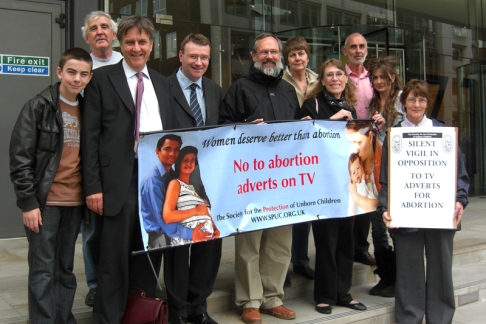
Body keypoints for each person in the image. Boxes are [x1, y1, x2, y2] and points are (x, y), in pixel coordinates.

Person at [81, 15, 170, 323]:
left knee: (150, 252)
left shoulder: (161, 82)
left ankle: (141, 315)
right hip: (118, 181)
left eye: (142, 42)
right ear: (121, 42)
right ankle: (108, 317)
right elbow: (89, 138)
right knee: (113, 258)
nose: (136, 48)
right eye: (130, 42)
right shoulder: (102, 79)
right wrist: (92, 186)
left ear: (152, 45)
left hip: (155, 181)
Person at [220, 33, 299, 324]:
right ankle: (250, 301)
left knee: (279, 242)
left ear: (280, 56)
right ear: (253, 56)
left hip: (284, 181)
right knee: (250, 242)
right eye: (264, 52)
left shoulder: (289, 91)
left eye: (274, 52)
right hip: (251, 181)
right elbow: (223, 127)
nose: (269, 57)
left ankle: (272, 298)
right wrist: (244, 128)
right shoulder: (240, 88)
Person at [9, 48, 93, 323]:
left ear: (89, 77)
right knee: (43, 269)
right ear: (59, 72)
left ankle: (62, 318)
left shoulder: (88, 109)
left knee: (64, 268)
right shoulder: (39, 106)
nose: (76, 79)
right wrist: (29, 202)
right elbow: (20, 158)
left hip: (74, 202)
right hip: (45, 203)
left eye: (83, 74)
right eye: (71, 72)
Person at [377, 79, 469, 323]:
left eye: (422, 99)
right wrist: (386, 208)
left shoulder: (444, 134)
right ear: (403, 103)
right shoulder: (394, 136)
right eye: (411, 99)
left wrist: (460, 200)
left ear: (427, 102)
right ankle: (409, 318)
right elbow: (385, 179)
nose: (417, 104)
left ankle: (440, 319)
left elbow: (459, 172)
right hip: (407, 214)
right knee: (408, 272)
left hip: (440, 214)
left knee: (441, 270)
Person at [299, 59, 366, 315]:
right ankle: (324, 295)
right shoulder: (311, 104)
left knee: (346, 241)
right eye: (329, 75)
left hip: (346, 183)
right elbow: (302, 138)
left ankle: (344, 293)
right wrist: (331, 119)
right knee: (326, 240)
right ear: (322, 80)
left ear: (346, 79)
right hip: (321, 184)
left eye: (339, 74)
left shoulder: (350, 107)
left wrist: (371, 127)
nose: (335, 78)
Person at [164, 33, 223, 324]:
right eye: (193, 56)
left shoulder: (214, 89)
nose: (199, 62)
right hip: (176, 179)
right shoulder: (163, 87)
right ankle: (177, 311)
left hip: (208, 180)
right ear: (181, 56)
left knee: (209, 242)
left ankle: (199, 306)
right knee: (177, 245)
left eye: (204, 57)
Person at [80, 10, 123, 307]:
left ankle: (127, 282)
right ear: (86, 37)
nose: (100, 32)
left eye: (105, 27)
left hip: (122, 161)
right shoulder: (80, 68)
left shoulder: (127, 64)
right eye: (93, 28)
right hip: (89, 156)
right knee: (93, 228)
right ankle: (96, 284)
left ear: (115, 33)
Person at [365, 55, 405, 297]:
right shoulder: (372, 102)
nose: (379, 81)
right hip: (375, 170)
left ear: (392, 77)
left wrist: (387, 127)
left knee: (395, 226)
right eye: (375, 77)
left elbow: (408, 131)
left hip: (396, 171)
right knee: (377, 227)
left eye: (382, 77)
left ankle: (400, 277)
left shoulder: (401, 99)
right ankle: (385, 275)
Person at [281, 36, 319, 282]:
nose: (298, 58)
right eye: (293, 54)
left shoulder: (319, 80)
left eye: (301, 54)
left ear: (308, 56)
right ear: (287, 58)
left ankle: (301, 260)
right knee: (286, 209)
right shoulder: (279, 80)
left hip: (314, 150)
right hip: (287, 150)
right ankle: (281, 266)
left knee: (306, 209)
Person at [343, 32, 376, 266]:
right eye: (353, 46)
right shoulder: (337, 75)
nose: (358, 50)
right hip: (345, 142)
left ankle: (361, 247)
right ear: (345, 51)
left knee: (367, 193)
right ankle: (345, 246)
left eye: (361, 46)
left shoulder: (374, 78)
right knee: (347, 195)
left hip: (371, 144)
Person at [163, 146, 218, 246]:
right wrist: (195, 211)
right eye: (185, 160)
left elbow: (204, 211)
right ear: (179, 163)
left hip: (207, 238)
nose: (189, 163)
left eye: (192, 160)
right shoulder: (175, 184)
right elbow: (168, 216)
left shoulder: (197, 187)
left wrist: (215, 227)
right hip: (186, 239)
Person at [140, 134, 184, 249]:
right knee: (153, 266)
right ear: (157, 152)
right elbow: (162, 216)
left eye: (176, 150)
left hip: (171, 232)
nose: (172, 154)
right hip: (159, 235)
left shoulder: (172, 175)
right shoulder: (153, 180)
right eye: (167, 149)